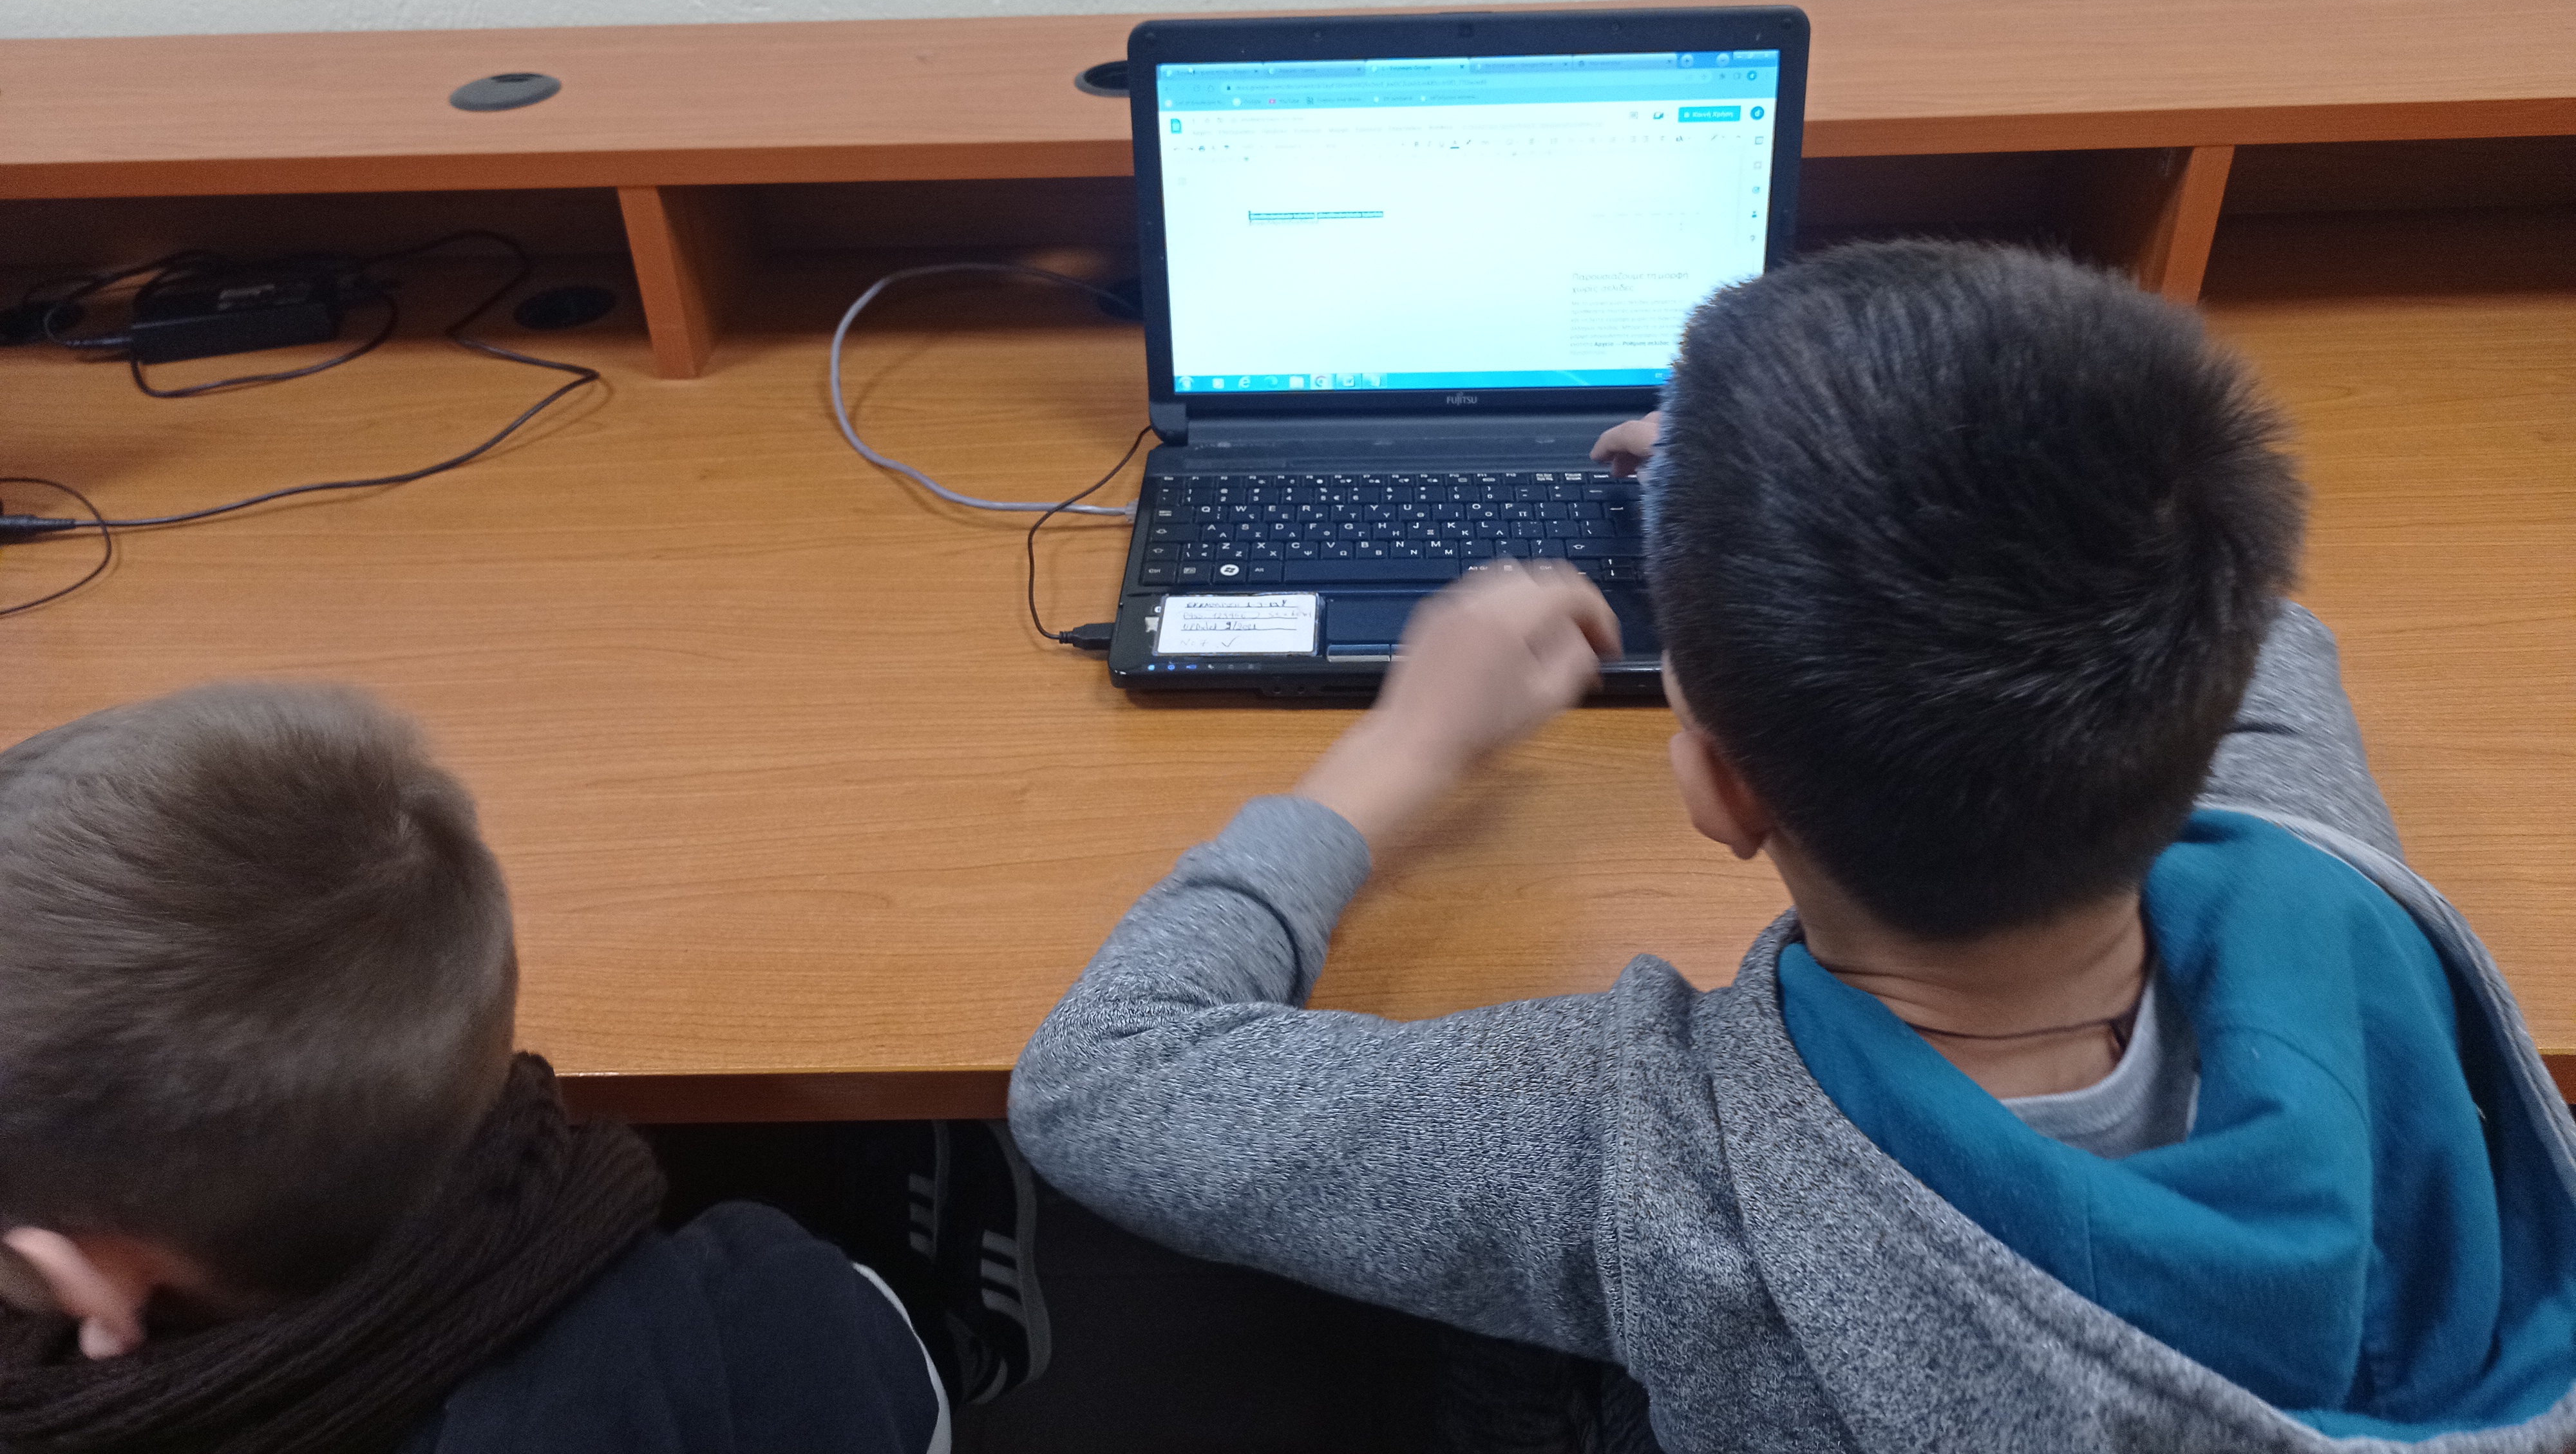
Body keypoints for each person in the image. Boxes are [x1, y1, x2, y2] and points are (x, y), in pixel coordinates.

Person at [1011, 240, 2576, 1451]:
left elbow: (1100, 1078)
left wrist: (1401, 749)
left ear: (1719, 790)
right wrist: (1786, 481)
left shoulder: (1652, 1163)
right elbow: (2260, 624)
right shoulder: (2340, 894)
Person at [0, 682, 1046, 1453]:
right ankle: (961, 1310)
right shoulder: (774, 1322)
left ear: (83, 1275)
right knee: (876, 1282)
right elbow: (902, 1403)